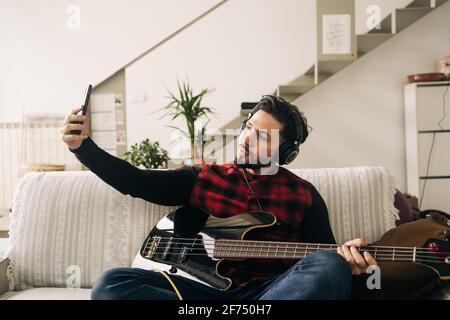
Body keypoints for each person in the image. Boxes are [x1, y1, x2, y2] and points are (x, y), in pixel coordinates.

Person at [62, 95, 377, 300]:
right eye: (248, 128)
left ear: (286, 152)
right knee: (111, 285)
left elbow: (323, 263)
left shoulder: (304, 195)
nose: (246, 139)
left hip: (269, 294)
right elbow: (136, 181)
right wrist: (82, 147)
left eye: (262, 136)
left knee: (329, 264)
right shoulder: (205, 178)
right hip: (201, 294)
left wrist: (350, 264)